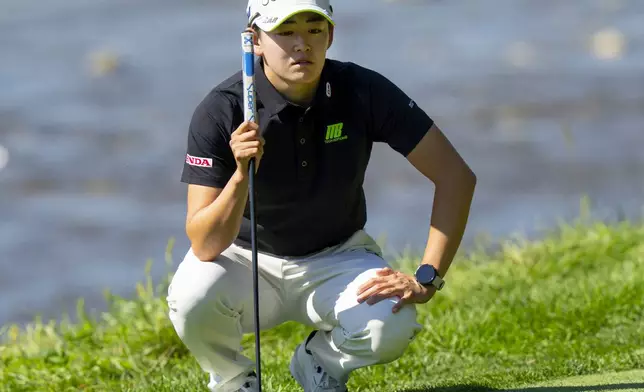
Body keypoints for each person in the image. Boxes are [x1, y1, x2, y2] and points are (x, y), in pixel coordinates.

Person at [166, 0, 477, 391]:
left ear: (330, 35)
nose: (302, 45)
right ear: (255, 41)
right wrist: (240, 175)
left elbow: (455, 177)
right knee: (191, 296)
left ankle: (320, 364)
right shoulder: (221, 110)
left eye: (315, 29)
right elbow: (205, 243)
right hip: (246, 260)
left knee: (391, 323)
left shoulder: (362, 91)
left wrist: (427, 277)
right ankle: (233, 380)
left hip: (338, 257)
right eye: (285, 31)